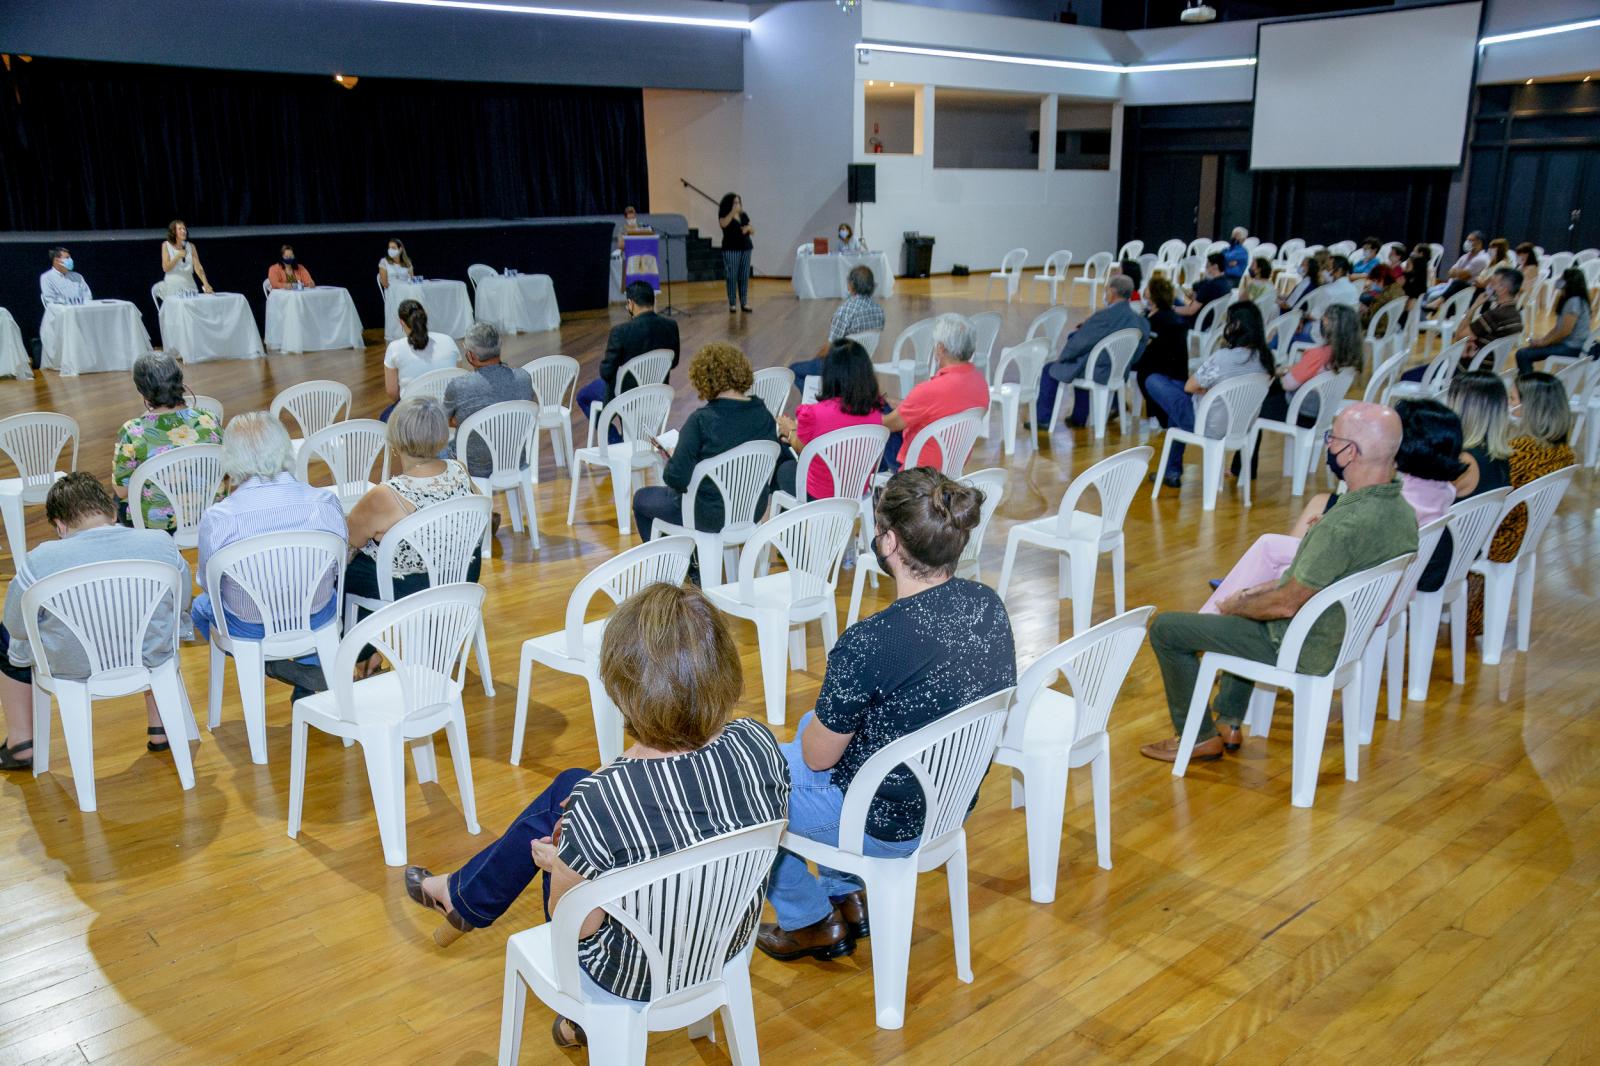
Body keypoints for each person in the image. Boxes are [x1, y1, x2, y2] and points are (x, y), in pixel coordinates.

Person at [403, 582, 789, 1051]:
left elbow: (573, 924)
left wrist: (559, 864)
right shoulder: (758, 741)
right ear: (724, 667)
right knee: (570, 783)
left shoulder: (602, 801)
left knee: (570, 804)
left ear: (621, 688)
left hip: (631, 973)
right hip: (722, 939)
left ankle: (574, 1019)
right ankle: (460, 895)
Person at [757, 468, 1015, 961]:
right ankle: (847, 895)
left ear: (890, 542)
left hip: (883, 823)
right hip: (947, 804)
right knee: (808, 733)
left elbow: (816, 760)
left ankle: (808, 920)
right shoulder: (988, 604)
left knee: (745, 785)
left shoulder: (870, 641)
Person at [1140, 403, 1418, 763]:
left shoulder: (1341, 525)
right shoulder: (1401, 512)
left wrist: (1236, 603)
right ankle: (1228, 721)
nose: (1328, 447)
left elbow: (1285, 604)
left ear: (1350, 452)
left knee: (1167, 628)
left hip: (1303, 643)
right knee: (1244, 610)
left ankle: (1197, 737)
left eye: (1331, 439)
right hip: (1342, 636)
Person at [1202, 399, 1460, 615]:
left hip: (1360, 585)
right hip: (1390, 584)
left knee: (1273, 556)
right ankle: (1234, 595)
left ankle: (1222, 608)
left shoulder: (1400, 496)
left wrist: (1326, 528)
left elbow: (1357, 537)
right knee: (1272, 551)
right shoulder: (1442, 489)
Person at [1, 473, 192, 759]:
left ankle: (21, 743)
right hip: (148, 654)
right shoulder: (160, 544)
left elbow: (17, 627)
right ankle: (160, 727)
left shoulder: (37, 561)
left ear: (60, 525)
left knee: (5, 640)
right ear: (113, 512)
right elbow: (183, 601)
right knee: (147, 624)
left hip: (74, 665)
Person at [192, 411, 348, 703]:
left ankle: (268, 663)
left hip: (250, 625)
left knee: (201, 606)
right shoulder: (324, 502)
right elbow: (338, 568)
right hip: (316, 614)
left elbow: (206, 582)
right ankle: (311, 665)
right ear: (285, 447)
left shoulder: (219, 518)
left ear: (230, 458)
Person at [345, 398, 483, 677]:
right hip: (461, 578)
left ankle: (355, 656)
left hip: (414, 588)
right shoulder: (460, 471)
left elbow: (347, 540)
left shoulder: (386, 495)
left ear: (395, 440)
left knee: (343, 575)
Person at [1464, 372, 1576, 638]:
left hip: (1497, 539)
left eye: (1513, 399)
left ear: (1531, 408)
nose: (1508, 405)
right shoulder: (1564, 452)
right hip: (1524, 536)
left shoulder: (1518, 451)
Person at [631, 344, 777, 544]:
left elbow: (676, 479)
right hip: (752, 509)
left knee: (641, 499)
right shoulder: (764, 414)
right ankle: (695, 561)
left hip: (709, 515)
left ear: (704, 380)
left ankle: (676, 567)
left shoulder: (701, 421)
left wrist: (674, 458)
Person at [1144, 301, 1273, 488]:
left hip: (1207, 423)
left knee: (1154, 380)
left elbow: (1190, 386)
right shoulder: (1265, 359)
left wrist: (1206, 390)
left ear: (1235, 325)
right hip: (1240, 425)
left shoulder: (1223, 357)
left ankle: (1171, 470)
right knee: (1175, 390)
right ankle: (1171, 471)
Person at [1234, 304, 1363, 480]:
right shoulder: (1351, 356)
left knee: (1252, 406)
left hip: (1299, 411)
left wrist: (1283, 372)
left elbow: (1288, 384)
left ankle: (1242, 470)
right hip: (1321, 413)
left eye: (1323, 320)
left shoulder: (1318, 353)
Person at [1415, 371, 1512, 594]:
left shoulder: (1464, 462)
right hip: (1464, 552)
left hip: (1436, 560)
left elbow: (1418, 506)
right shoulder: (1498, 456)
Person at [111, 352, 223, 530]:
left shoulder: (133, 432)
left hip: (158, 524)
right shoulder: (208, 420)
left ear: (141, 390)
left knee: (117, 498)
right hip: (209, 513)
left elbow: (122, 490)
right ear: (180, 381)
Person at [775, 338, 885, 500]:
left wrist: (790, 430)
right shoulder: (875, 411)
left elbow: (802, 449)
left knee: (784, 465)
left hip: (820, 494)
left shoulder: (813, 413)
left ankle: (795, 520)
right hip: (857, 490)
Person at [1037, 275, 1150, 429]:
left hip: (1098, 370)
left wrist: (1063, 358)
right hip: (1119, 371)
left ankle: (1043, 419)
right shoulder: (1141, 321)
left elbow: (1078, 344)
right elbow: (1138, 352)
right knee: (1081, 362)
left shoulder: (1103, 316)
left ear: (1111, 292)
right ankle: (1078, 416)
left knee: (1051, 369)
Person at [884, 313, 990, 470]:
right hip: (953, 464)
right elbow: (941, 408)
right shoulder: (981, 384)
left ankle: (870, 484)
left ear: (940, 348)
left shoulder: (929, 391)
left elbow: (887, 424)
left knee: (877, 421)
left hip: (918, 470)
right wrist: (898, 403)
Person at [575, 280, 681, 433]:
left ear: (631, 303)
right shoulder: (671, 326)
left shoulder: (621, 331)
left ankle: (613, 441)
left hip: (627, 398)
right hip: (658, 395)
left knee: (583, 396)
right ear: (653, 301)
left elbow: (606, 372)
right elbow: (674, 362)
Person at [443, 322, 534, 479]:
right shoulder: (523, 378)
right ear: (499, 348)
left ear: (471, 355)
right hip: (515, 460)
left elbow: (445, 421)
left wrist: (469, 419)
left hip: (471, 467)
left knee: (428, 452)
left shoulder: (459, 386)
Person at [790, 265, 885, 395]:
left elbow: (830, 347)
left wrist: (815, 360)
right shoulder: (878, 310)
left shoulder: (845, 311)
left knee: (794, 370)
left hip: (841, 366)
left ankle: (819, 403)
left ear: (851, 285)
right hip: (862, 365)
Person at [382, 299, 460, 410]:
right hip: (448, 411)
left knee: (385, 416)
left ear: (402, 322)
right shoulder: (448, 340)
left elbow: (392, 391)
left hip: (413, 413)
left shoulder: (395, 348)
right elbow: (458, 377)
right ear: (425, 317)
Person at [1135, 276, 1190, 429]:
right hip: (1158, 360)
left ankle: (1156, 416)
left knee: (1141, 371)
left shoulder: (1162, 319)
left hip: (1162, 364)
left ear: (1153, 295)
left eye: (1147, 288)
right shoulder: (1153, 314)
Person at [1515, 267, 1592, 374]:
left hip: (1573, 347)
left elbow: (1564, 332)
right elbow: (1557, 328)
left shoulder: (1574, 302)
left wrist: (1544, 343)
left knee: (1522, 354)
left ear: (1569, 282)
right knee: (1525, 352)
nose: (1558, 281)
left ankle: (1529, 386)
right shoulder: (1572, 300)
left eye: (1562, 279)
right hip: (1570, 344)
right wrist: (1542, 340)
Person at [1454, 266, 1523, 363]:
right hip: (1491, 367)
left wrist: (1474, 307)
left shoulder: (1495, 315)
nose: (1489, 286)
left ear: (1503, 289)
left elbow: (1459, 336)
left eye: (1493, 283)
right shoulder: (1517, 315)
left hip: (1471, 368)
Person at [1425, 230, 1489, 306]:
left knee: (1432, 296)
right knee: (1426, 292)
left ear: (1479, 243)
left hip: (1464, 289)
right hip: (1450, 284)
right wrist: (1458, 273)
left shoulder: (1481, 258)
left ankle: (1434, 309)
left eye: (1471, 240)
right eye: (1467, 240)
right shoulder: (1465, 256)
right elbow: (1450, 273)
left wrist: (1457, 273)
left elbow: (1463, 276)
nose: (1467, 242)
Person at [157, 220, 213, 299]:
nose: (184, 231)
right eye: (180, 229)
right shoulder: (166, 245)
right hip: (173, 285)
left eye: (184, 229)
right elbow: (166, 268)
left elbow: (198, 267)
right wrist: (177, 256)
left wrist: (206, 283)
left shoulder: (191, 246)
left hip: (189, 285)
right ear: (173, 232)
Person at [718, 192, 754, 313]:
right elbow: (723, 224)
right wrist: (733, 212)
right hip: (731, 248)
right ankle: (732, 303)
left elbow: (751, 229)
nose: (737, 205)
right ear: (729, 204)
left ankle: (744, 302)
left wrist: (749, 229)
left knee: (744, 276)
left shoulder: (743, 215)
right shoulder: (724, 214)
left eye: (738, 202)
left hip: (746, 247)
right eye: (735, 202)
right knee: (732, 276)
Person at [1174, 253, 1235, 319]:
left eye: (1207, 266)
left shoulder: (1209, 286)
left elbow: (1190, 311)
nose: (1206, 268)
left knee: (1172, 303)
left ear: (1215, 266)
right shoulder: (1228, 284)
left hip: (1198, 321)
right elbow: (1204, 299)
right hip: (1213, 320)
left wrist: (1172, 309)